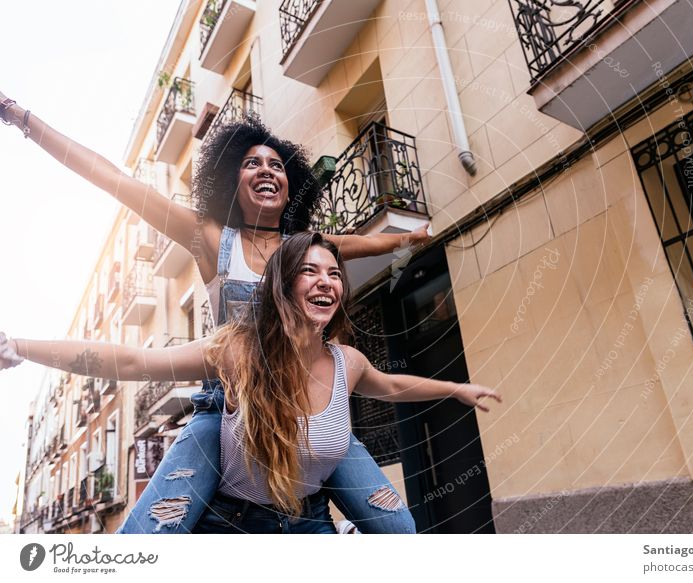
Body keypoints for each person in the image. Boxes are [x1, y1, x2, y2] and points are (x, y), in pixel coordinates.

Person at [0, 92, 430, 533]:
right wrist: (21, 118)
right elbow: (115, 180)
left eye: (277, 165)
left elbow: (364, 242)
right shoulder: (211, 238)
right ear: (232, 180)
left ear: (290, 184)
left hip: (307, 409)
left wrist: (408, 239)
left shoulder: (307, 248)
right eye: (252, 163)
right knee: (145, 536)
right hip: (229, 409)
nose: (266, 169)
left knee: (398, 530)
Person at [1, 233, 501, 533]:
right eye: (309, 271)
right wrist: (19, 347)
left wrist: (457, 390)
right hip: (232, 526)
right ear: (283, 284)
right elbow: (133, 362)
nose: (326, 281)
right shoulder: (238, 349)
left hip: (307, 525)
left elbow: (391, 387)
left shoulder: (347, 360)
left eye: (334, 273)